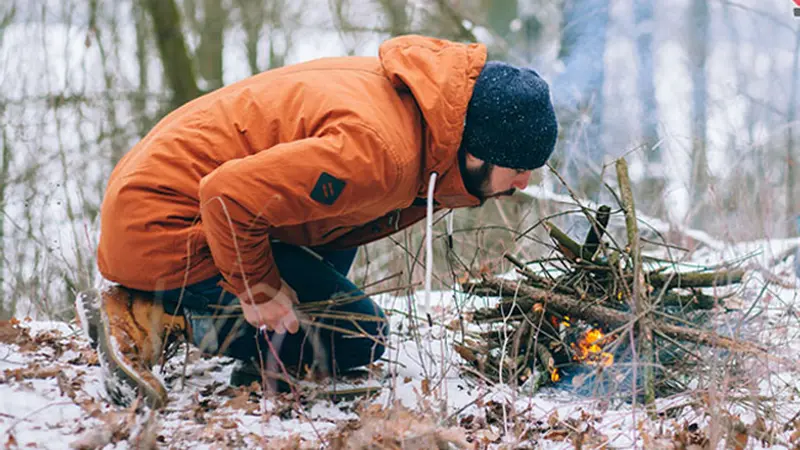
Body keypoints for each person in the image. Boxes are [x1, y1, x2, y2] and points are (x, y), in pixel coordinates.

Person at [76, 34, 558, 409]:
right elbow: (225, 197)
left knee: (342, 229)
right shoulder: (382, 154)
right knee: (357, 338)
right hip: (164, 222)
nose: (522, 183)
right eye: (517, 169)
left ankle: (266, 356)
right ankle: (152, 314)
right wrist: (257, 289)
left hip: (174, 199)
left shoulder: (422, 107)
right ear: (477, 150)